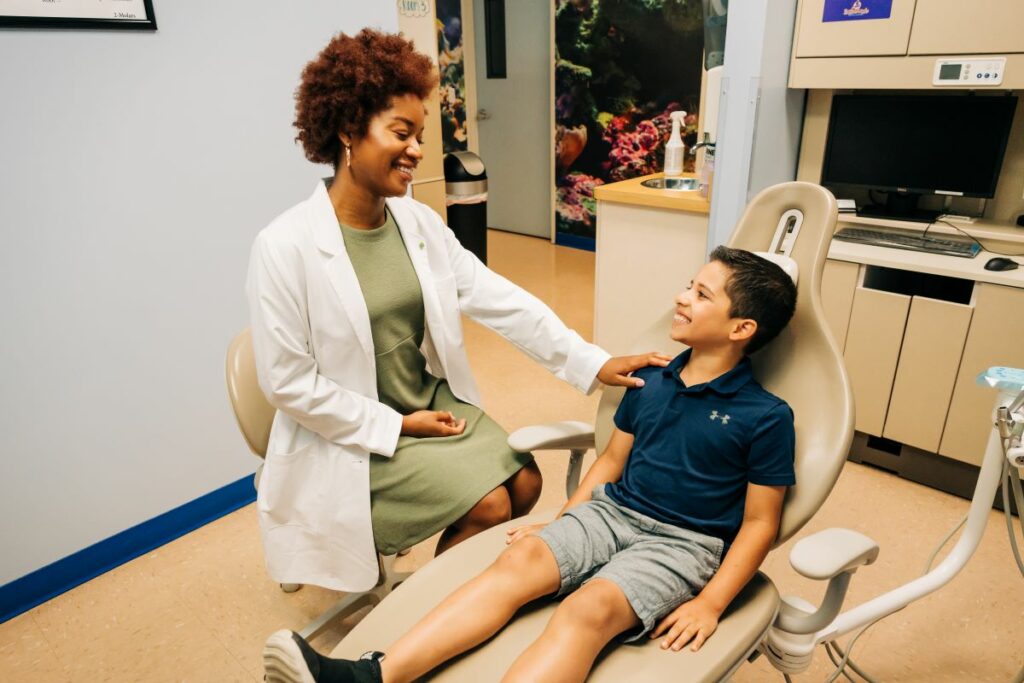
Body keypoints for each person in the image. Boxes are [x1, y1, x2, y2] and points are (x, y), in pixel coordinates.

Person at [247, 28, 666, 595]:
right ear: (348, 130)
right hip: (351, 433)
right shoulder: (284, 246)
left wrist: (591, 363)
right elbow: (289, 385)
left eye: (420, 134)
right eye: (402, 132)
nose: (418, 149)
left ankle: (455, 601)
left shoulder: (415, 223)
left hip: (425, 401)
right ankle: (422, 623)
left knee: (524, 483)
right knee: (492, 503)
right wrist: (395, 425)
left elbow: (500, 300)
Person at [262, 246, 800, 683]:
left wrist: (710, 603)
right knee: (517, 565)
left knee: (586, 611)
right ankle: (371, 678)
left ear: (740, 329)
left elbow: (759, 523)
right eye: (689, 283)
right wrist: (566, 520)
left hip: (684, 543)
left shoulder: (765, 416)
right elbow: (611, 463)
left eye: (701, 294)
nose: (681, 297)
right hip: (611, 515)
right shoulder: (652, 380)